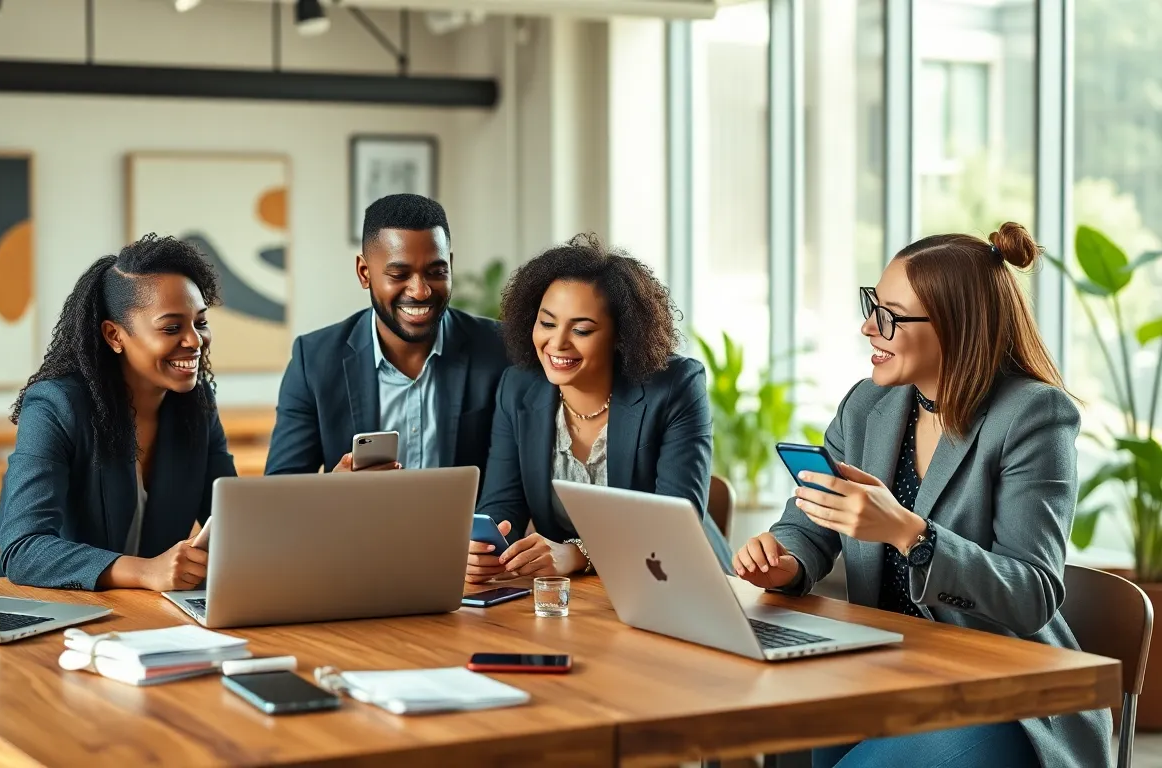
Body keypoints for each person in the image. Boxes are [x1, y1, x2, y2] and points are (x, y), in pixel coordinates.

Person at [732, 223, 1111, 768]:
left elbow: (1032, 595)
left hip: (1000, 697)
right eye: (872, 305)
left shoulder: (1034, 416)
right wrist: (785, 560)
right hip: (882, 675)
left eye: (889, 315)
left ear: (955, 327)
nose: (868, 327)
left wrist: (910, 534)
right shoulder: (867, 405)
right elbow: (808, 524)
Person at [468, 234, 734, 584]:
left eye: (581, 329)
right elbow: (501, 506)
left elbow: (674, 527)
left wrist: (580, 553)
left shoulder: (675, 387)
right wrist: (485, 549)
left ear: (621, 335)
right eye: (547, 323)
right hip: (581, 596)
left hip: (676, 582)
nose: (557, 342)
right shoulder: (518, 389)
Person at [0, 235, 237, 591]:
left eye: (200, 322)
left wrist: (328, 496)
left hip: (132, 614)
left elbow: (229, 523)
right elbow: (24, 549)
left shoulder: (197, 406)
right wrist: (146, 571)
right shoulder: (55, 405)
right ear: (114, 335)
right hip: (26, 601)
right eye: (171, 327)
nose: (195, 341)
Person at [265, 193, 510, 476]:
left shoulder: (498, 348)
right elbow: (281, 488)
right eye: (399, 275)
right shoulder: (315, 361)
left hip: (465, 522)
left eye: (436, 272)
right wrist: (333, 489)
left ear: (450, 267)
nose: (420, 291)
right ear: (364, 273)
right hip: (357, 521)